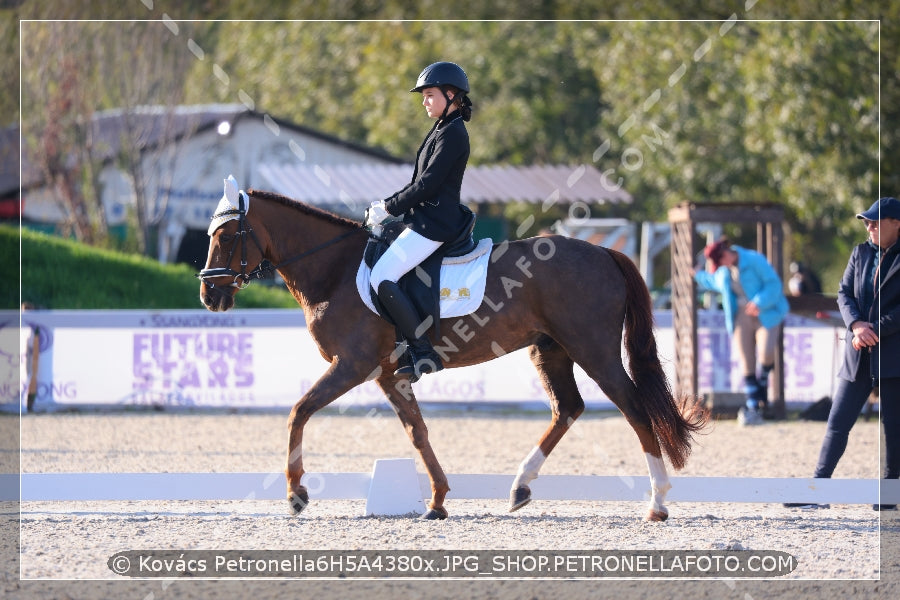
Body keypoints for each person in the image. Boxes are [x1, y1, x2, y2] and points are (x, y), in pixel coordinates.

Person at [785, 197, 900, 511]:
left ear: (896, 224)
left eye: (876, 222)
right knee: (837, 422)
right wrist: (856, 325)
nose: (869, 227)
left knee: (894, 426)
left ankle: (890, 495)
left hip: (892, 353)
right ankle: (818, 489)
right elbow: (843, 293)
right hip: (859, 350)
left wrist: (873, 328)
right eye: (867, 222)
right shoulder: (860, 253)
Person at [365, 61, 474, 381]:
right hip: (421, 219)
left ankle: (423, 352)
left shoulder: (454, 133)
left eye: (429, 95)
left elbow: (427, 185)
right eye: (423, 96)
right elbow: (419, 182)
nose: (424, 101)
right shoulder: (442, 127)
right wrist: (388, 206)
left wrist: (389, 207)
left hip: (435, 225)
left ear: (450, 94)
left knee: (382, 277)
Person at [694, 238, 789, 425]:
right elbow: (712, 282)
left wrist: (759, 302)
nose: (719, 266)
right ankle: (754, 406)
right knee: (746, 360)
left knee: (766, 352)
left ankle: (761, 386)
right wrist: (697, 274)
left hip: (766, 312)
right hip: (740, 316)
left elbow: (773, 284)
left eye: (719, 261)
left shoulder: (754, 260)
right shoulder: (724, 272)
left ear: (725, 255)